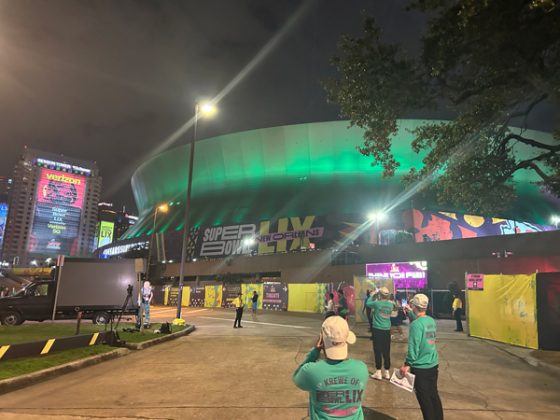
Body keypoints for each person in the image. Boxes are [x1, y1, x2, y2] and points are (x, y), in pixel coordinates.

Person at [293, 316, 369, 419]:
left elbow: (296, 378)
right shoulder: (362, 369)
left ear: (322, 341)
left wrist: (314, 353)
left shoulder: (311, 371)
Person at [400, 294, 443, 420]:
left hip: (421, 368)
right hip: (433, 365)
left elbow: (414, 347)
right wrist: (410, 314)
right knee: (433, 395)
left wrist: (407, 364)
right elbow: (420, 322)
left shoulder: (415, 326)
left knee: (425, 402)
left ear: (413, 305)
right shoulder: (430, 320)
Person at [366, 286, 395, 380]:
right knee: (386, 350)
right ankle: (387, 372)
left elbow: (368, 303)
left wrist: (373, 294)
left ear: (380, 294)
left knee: (377, 350)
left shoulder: (377, 304)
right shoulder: (391, 305)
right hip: (387, 330)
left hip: (377, 330)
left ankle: (378, 372)